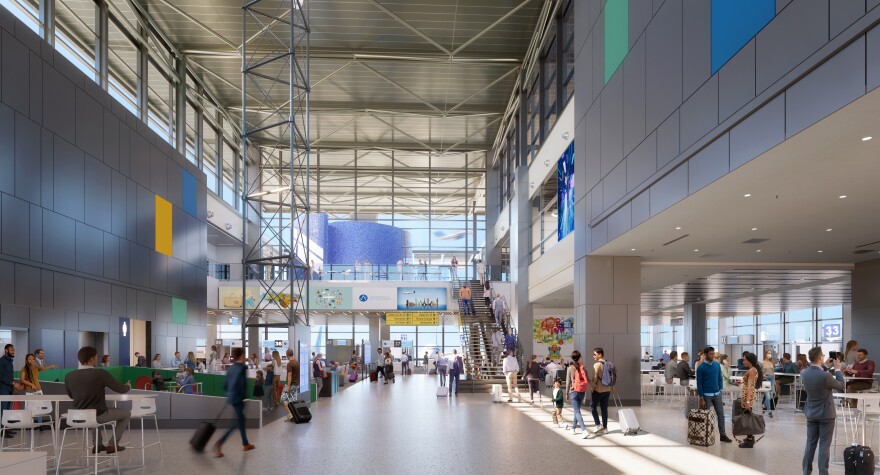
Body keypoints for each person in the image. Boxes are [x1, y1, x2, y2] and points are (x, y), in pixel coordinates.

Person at [64, 346, 131, 453]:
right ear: (91, 359)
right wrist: (127, 386)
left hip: (76, 417)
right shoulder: (100, 373)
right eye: (96, 357)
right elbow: (121, 389)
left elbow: (71, 396)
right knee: (126, 413)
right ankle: (113, 444)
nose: (97, 359)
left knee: (93, 415)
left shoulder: (68, 376)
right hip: (97, 416)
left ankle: (98, 445)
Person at [802, 346, 845, 474]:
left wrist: (826, 365)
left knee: (810, 444)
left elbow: (817, 372)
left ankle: (806, 472)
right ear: (820, 357)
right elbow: (841, 386)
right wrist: (837, 370)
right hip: (826, 414)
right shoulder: (825, 376)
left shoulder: (804, 373)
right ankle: (823, 472)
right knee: (824, 446)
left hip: (811, 413)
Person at [213, 348, 254, 457]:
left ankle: (245, 443)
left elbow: (225, 385)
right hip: (239, 398)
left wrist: (230, 395)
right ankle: (220, 442)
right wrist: (244, 397)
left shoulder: (230, 368)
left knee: (240, 420)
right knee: (237, 422)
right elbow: (241, 384)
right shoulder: (242, 368)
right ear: (241, 355)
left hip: (232, 398)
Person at [696, 347, 733, 443]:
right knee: (706, 416)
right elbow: (699, 384)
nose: (712, 356)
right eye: (710, 354)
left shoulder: (717, 365)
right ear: (706, 354)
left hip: (717, 394)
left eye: (713, 354)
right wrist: (701, 397)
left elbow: (720, 378)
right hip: (706, 395)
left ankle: (723, 435)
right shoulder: (701, 368)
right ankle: (704, 435)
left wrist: (720, 389)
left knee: (721, 415)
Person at [738, 352, 763, 448]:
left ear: (749, 361)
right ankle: (749, 437)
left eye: (744, 360)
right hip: (749, 395)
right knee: (747, 416)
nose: (743, 361)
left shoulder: (752, 371)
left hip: (748, 396)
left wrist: (747, 402)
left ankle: (749, 439)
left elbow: (749, 387)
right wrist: (742, 381)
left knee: (747, 417)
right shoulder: (753, 370)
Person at [587, 348, 611, 437]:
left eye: (595, 354)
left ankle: (598, 425)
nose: (593, 356)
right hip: (607, 389)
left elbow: (594, 378)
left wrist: (592, 387)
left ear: (600, 354)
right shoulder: (608, 363)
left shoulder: (597, 364)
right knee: (604, 409)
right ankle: (605, 428)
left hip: (598, 389)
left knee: (592, 406)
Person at [565, 350, 589, 435]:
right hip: (582, 391)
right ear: (579, 358)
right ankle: (573, 428)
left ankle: (584, 430)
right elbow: (588, 380)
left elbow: (568, 382)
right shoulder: (583, 367)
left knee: (577, 411)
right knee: (577, 410)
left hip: (573, 391)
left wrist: (566, 393)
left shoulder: (570, 368)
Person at [283, 349, 301, 422]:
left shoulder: (289, 364)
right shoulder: (297, 362)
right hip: (296, 384)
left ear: (287, 355)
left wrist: (288, 387)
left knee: (284, 399)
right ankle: (295, 414)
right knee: (293, 400)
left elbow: (289, 376)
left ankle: (291, 414)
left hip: (291, 384)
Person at [761, 351, 776, 417]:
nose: (769, 354)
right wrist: (763, 375)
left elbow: (773, 372)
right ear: (765, 354)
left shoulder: (772, 362)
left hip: (772, 378)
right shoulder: (762, 363)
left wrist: (774, 382)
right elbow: (759, 371)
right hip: (766, 378)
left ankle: (764, 404)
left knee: (771, 395)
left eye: (770, 353)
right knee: (767, 395)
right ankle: (769, 411)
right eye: (768, 353)